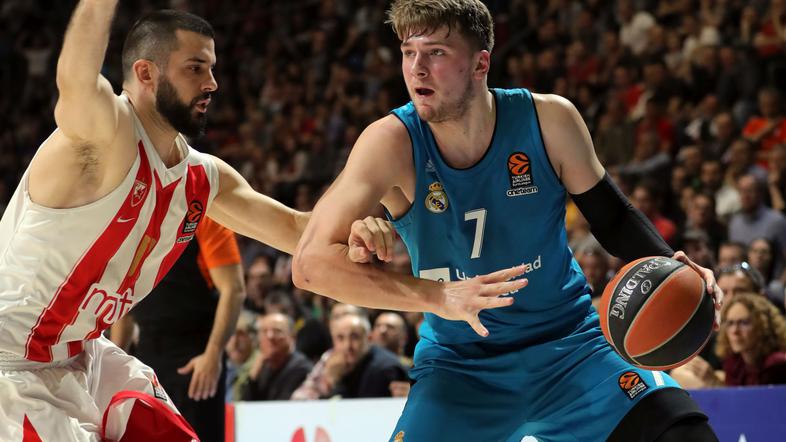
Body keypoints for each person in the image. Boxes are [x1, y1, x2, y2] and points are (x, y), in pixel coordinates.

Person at [293, 1, 723, 441]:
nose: (416, 68)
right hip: (460, 366)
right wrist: (439, 296)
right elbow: (309, 265)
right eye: (408, 52)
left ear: (481, 64)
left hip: (570, 347)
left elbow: (612, 217)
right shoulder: (390, 141)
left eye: (436, 52)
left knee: (685, 434)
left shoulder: (549, 119)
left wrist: (674, 265)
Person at [0, 4, 393, 441]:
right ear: (146, 73)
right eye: (195, 68)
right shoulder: (104, 136)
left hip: (83, 353)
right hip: (11, 362)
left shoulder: (202, 176)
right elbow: (75, 79)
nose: (212, 83)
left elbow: (300, 231)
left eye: (212, 68)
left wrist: (364, 212)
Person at [109, 216, 244, 442]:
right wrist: (114, 361)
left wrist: (213, 354)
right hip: (148, 358)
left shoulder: (207, 218)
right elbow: (125, 301)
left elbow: (234, 289)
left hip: (195, 357)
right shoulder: (134, 224)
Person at [675, 293, 786, 388]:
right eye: (730, 323)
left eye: (744, 323)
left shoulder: (777, 364)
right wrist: (712, 381)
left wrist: (714, 382)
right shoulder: (734, 363)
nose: (735, 331)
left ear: (763, 326)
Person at [239, 312, 312, 401]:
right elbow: (245, 404)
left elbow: (281, 405)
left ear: (292, 336)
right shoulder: (263, 367)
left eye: (277, 331)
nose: (270, 336)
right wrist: (254, 374)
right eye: (264, 331)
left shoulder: (301, 368)